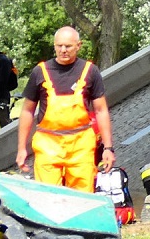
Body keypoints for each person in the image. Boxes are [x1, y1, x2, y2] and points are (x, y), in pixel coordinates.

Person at [15, 27, 114, 191]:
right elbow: (27, 111)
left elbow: (101, 111)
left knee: (82, 198)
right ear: (54, 46)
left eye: (68, 46)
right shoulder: (40, 72)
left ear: (78, 46)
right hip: (47, 144)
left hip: (81, 144)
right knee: (48, 195)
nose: (63, 50)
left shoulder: (90, 71)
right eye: (59, 46)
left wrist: (108, 148)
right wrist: (21, 149)